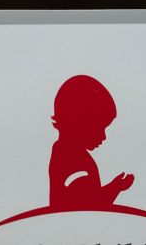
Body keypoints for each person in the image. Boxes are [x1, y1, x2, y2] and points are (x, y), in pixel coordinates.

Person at [47, 74, 135, 209]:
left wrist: (115, 187)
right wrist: (115, 187)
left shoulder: (65, 152)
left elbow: (91, 199)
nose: (103, 137)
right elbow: (89, 206)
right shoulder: (73, 160)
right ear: (78, 122)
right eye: (99, 128)